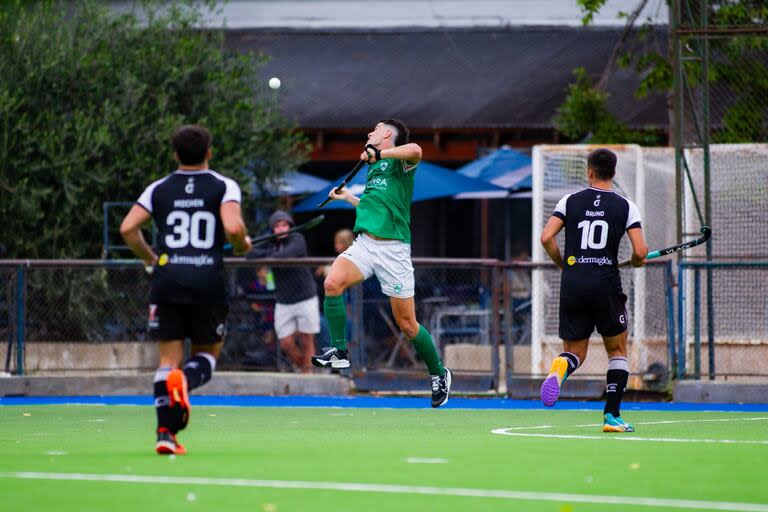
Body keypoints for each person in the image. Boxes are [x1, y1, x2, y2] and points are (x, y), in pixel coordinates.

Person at [120, 125, 252, 455]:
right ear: (210, 152)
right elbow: (234, 228)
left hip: (168, 278)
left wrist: (150, 258)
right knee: (206, 354)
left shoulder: (158, 188)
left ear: (175, 154)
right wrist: (241, 244)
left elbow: (127, 228)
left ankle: (165, 434)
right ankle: (187, 382)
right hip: (207, 280)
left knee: (167, 361)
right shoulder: (224, 185)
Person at [311, 118, 452, 407]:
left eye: (374, 130)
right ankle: (339, 351)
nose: (368, 133)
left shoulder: (399, 160)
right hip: (365, 245)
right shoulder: (373, 167)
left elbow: (416, 150)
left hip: (394, 251)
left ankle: (439, 373)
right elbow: (373, 207)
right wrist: (349, 198)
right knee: (332, 282)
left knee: (408, 325)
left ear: (387, 134)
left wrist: (380, 154)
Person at [539, 148, 648, 432]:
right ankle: (612, 416)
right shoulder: (626, 206)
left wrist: (563, 264)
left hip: (573, 283)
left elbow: (546, 237)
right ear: (613, 172)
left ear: (589, 171)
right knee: (617, 350)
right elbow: (640, 251)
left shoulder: (569, 201)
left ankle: (561, 366)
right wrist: (637, 262)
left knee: (575, 352)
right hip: (606, 284)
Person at [247, 210, 319, 372]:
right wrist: (247, 244)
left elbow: (287, 254)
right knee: (286, 343)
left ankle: (308, 376)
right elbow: (250, 254)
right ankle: (304, 367)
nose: (281, 229)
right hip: (284, 300)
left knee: (306, 339)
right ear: (272, 230)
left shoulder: (297, 238)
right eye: (277, 226)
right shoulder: (271, 243)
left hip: (305, 297)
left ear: (290, 226)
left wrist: (267, 255)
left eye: (284, 225)